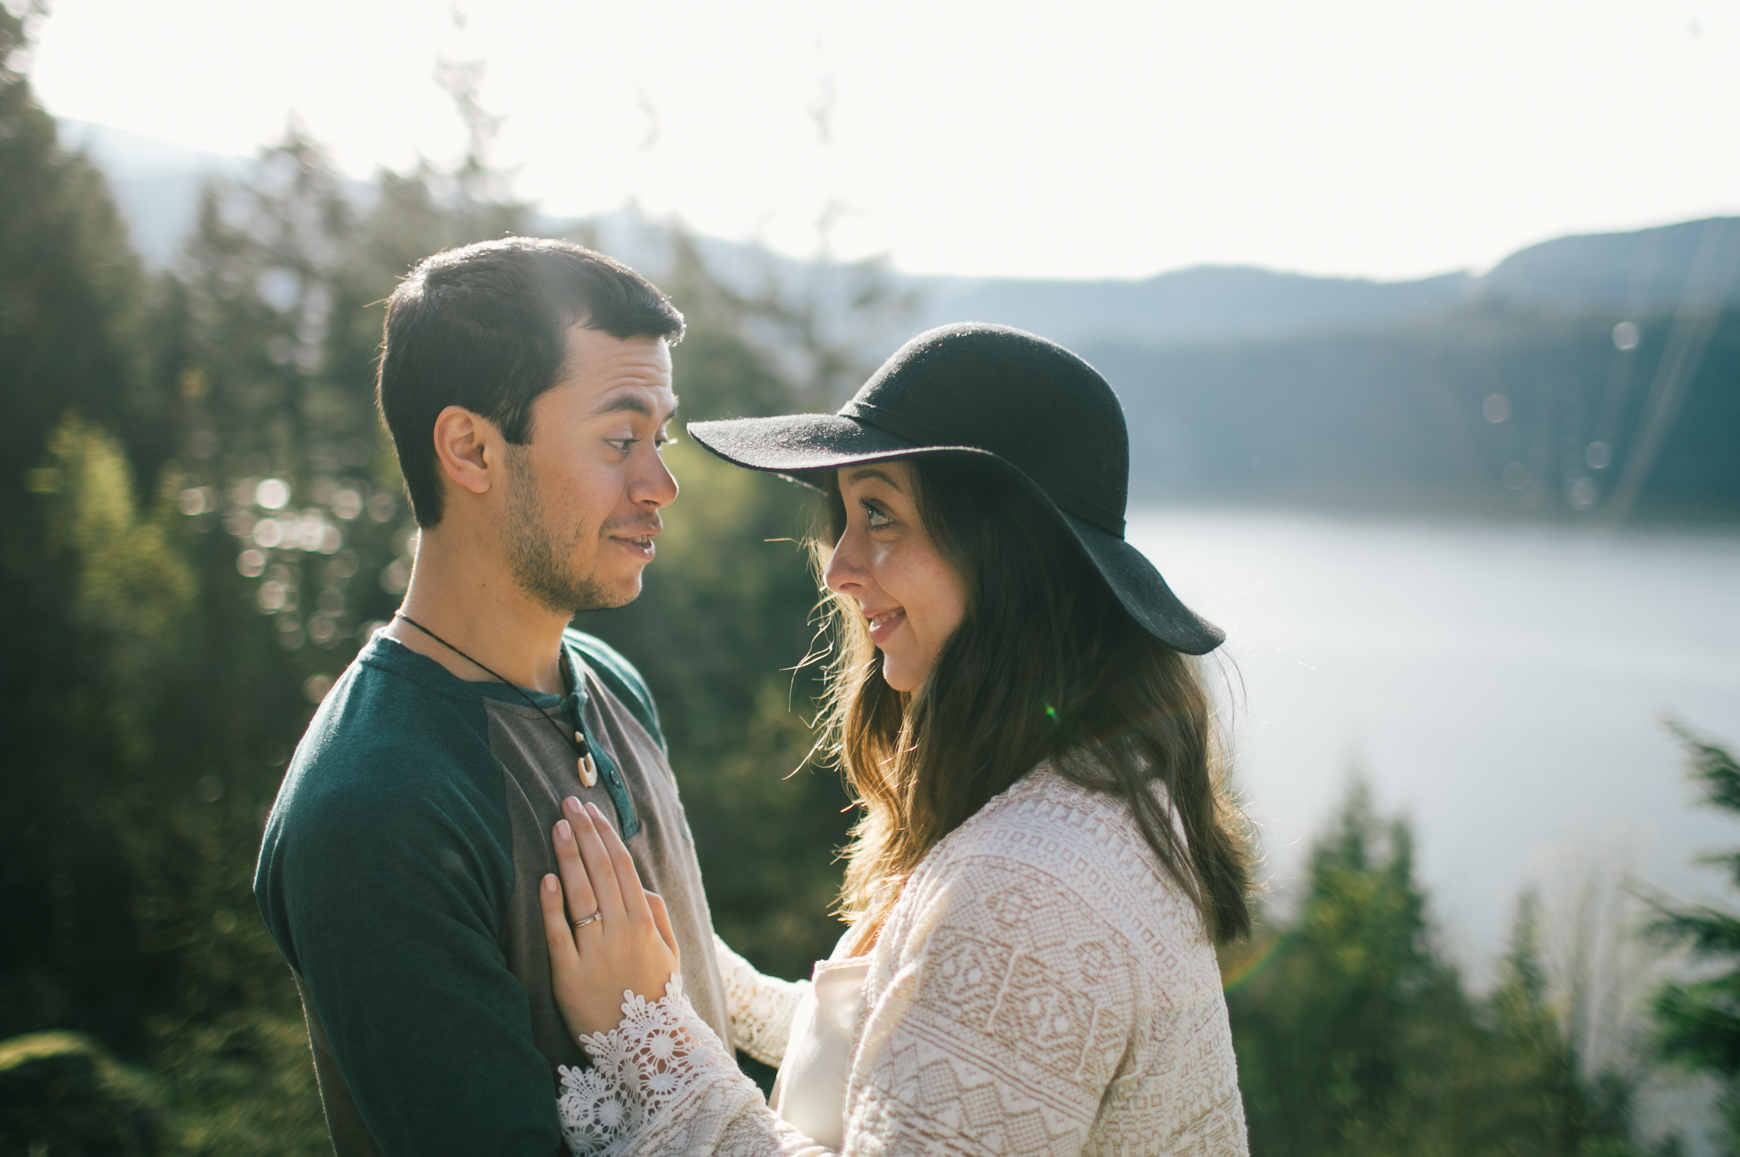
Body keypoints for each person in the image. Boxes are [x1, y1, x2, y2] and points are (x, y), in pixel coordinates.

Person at [538, 322, 1255, 1156]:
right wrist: (699, 983)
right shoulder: (1100, 791)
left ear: (1009, 554)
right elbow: (918, 1047)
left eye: (879, 514)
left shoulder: (1025, 899)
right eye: (842, 516)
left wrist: (651, 1043)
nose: (838, 565)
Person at [254, 238, 758, 1155]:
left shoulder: (612, 686)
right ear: (471, 448)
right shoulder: (377, 808)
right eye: (619, 439)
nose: (661, 485)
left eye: (661, 436)